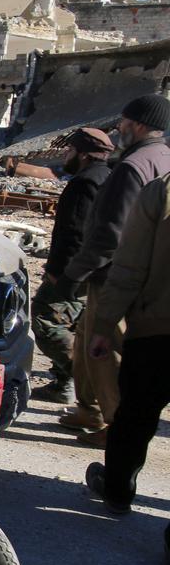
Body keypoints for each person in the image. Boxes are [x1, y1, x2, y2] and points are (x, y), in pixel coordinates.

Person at [57, 94, 170, 445]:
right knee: (87, 345)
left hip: (114, 276)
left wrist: (74, 274)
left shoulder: (132, 166)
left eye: (122, 122)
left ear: (136, 124)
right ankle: (87, 408)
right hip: (146, 275)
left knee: (105, 349)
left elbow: (110, 233)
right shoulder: (163, 157)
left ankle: (113, 425)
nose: (118, 128)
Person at [83, 172, 170, 515]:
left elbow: (130, 265)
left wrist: (104, 325)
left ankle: (118, 489)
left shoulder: (161, 191)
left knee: (135, 415)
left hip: (156, 332)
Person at [30, 128, 113, 405]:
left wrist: (63, 275)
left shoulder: (85, 183)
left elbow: (75, 233)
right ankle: (64, 384)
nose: (66, 155)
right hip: (91, 271)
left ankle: (80, 379)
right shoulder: (107, 178)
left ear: (84, 155)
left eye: (70, 151)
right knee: (76, 328)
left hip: (71, 273)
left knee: (45, 321)